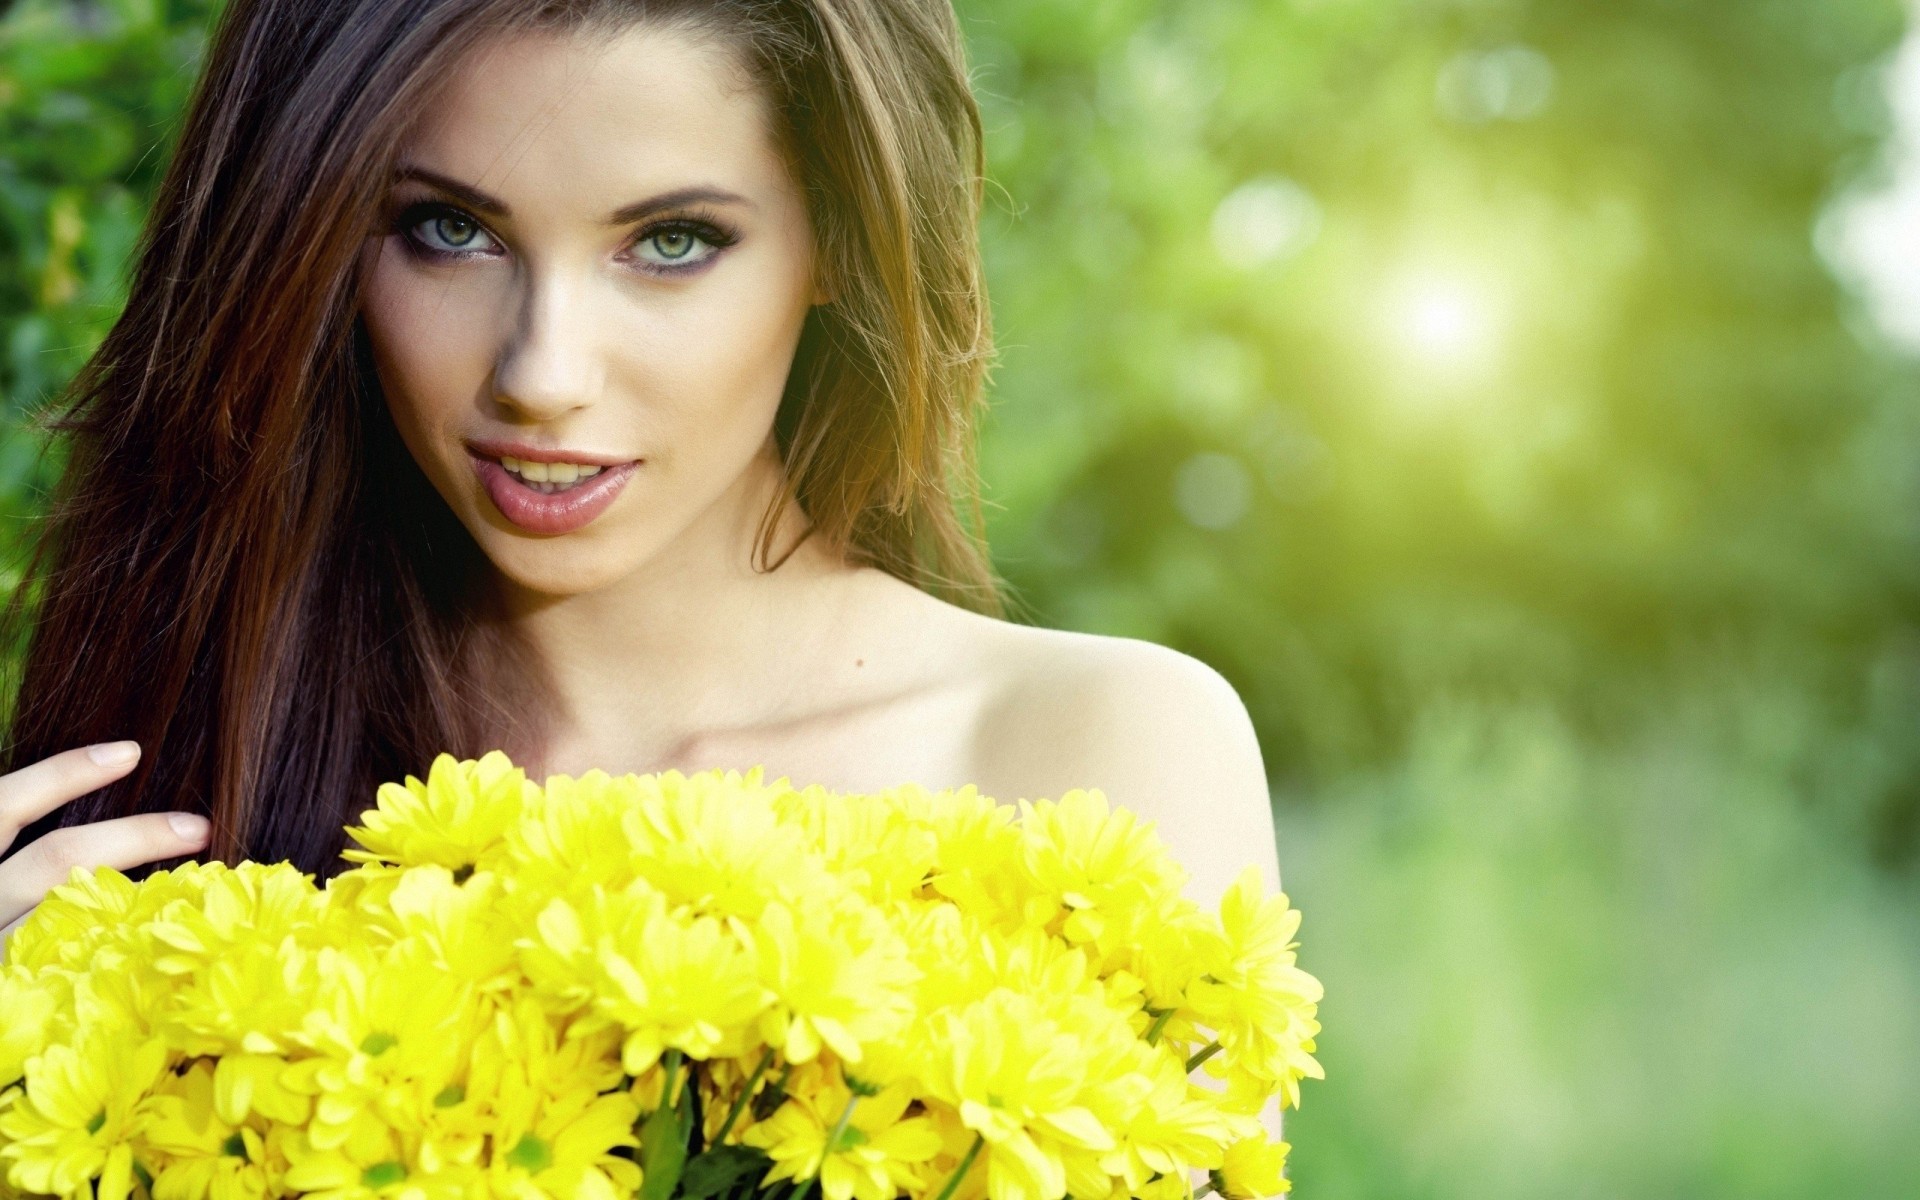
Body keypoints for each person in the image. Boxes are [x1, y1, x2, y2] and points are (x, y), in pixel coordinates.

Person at [0, 0, 1280, 975]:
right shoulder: (188, 760)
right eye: (451, 231)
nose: (543, 375)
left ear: (838, 242)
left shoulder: (1091, 757)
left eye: (671, 243)